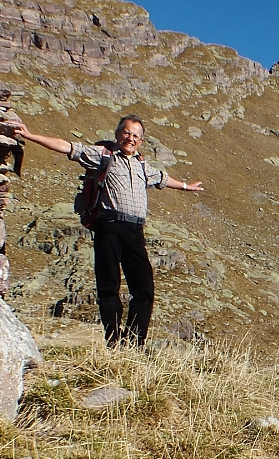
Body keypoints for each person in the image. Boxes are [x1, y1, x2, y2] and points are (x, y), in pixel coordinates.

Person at [12, 116, 204, 347]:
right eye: (126, 133)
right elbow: (68, 147)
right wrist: (30, 136)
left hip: (135, 231)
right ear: (118, 134)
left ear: (141, 141)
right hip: (109, 227)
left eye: (135, 135)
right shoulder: (104, 156)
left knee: (144, 289)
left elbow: (163, 179)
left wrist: (186, 186)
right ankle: (113, 340)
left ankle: (133, 343)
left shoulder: (143, 165)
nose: (130, 138)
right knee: (108, 286)